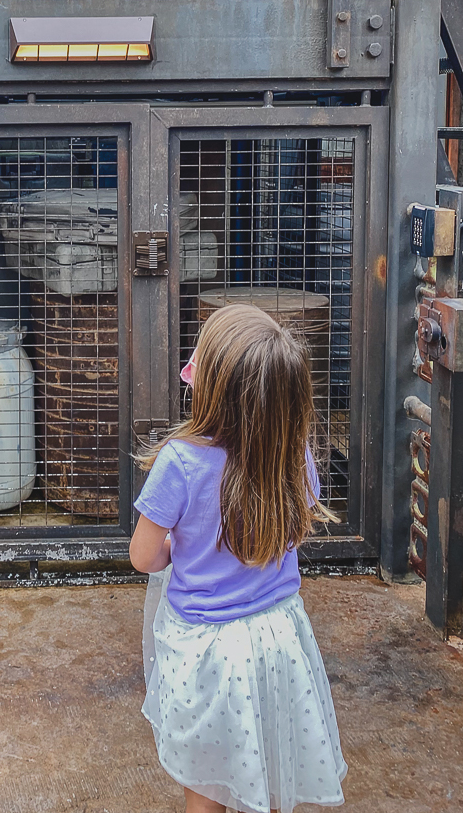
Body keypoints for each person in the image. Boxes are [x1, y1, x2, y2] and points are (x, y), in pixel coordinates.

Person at [130, 303, 347, 813]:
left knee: (207, 786)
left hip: (207, 650)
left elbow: (144, 557)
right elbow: (290, 527)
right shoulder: (294, 454)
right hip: (279, 637)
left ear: (209, 388)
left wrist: (178, 548)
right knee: (267, 766)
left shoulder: (179, 463)